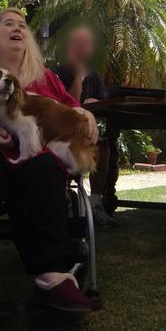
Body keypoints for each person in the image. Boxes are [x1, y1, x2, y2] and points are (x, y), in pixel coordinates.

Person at [0, 8, 99, 312]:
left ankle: (53, 277)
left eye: (22, 26)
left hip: (36, 159)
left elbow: (73, 109)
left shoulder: (47, 79)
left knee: (41, 167)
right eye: (8, 24)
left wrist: (87, 113)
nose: (18, 29)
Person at [54, 24, 116, 228]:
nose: (82, 48)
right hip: (61, 137)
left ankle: (96, 205)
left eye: (86, 44)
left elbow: (106, 105)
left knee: (104, 147)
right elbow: (65, 105)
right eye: (77, 43)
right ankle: (63, 201)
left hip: (87, 135)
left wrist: (95, 104)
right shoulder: (57, 74)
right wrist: (79, 77)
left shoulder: (96, 76)